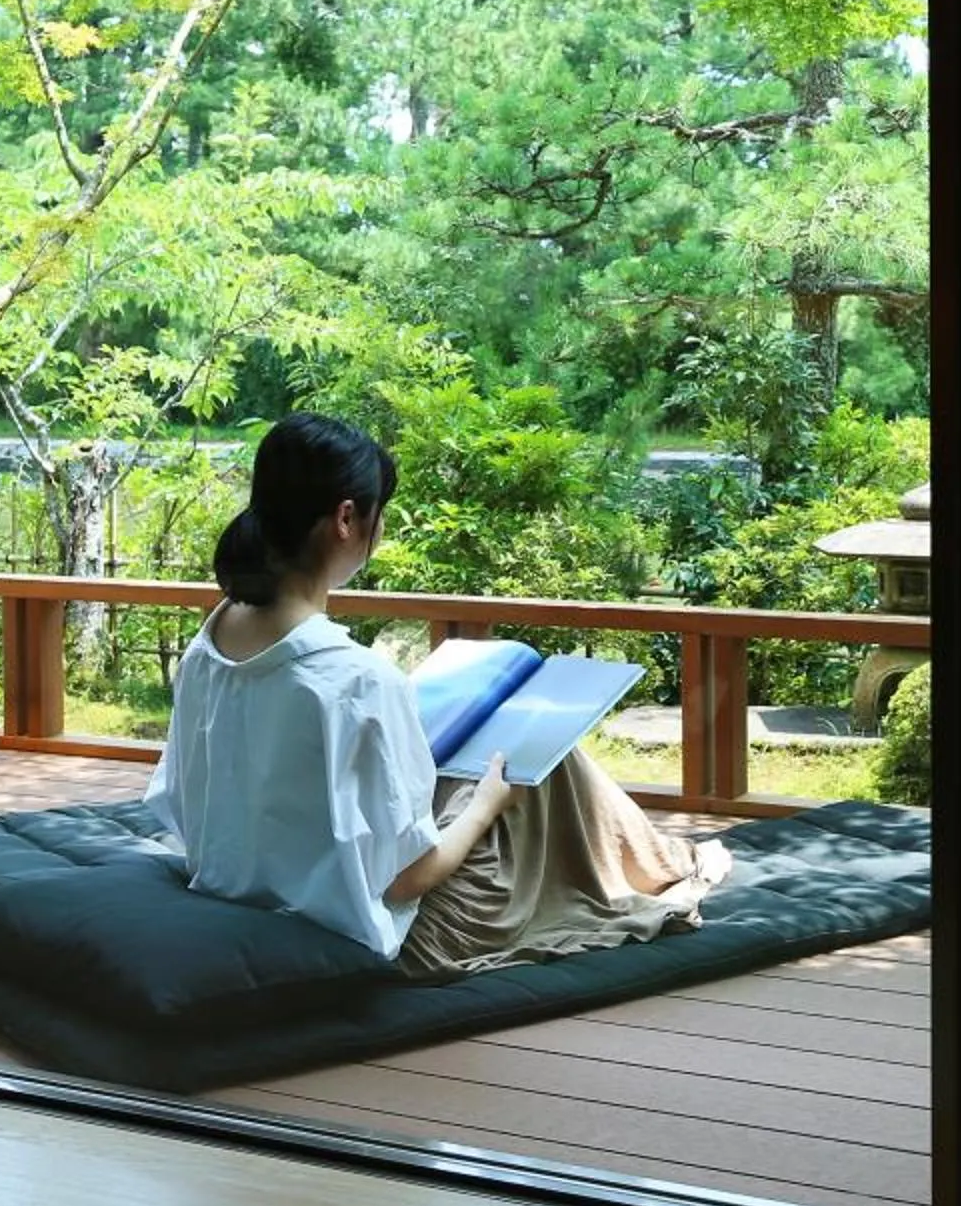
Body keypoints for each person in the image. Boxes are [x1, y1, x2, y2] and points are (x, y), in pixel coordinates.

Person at [146, 412, 725, 975]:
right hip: (379, 932)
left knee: (482, 765)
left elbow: (178, 804)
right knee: (537, 763)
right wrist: (484, 807)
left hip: (243, 895)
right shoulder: (355, 679)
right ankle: (664, 865)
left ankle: (661, 859)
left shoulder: (210, 643)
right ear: (346, 518)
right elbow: (409, 879)